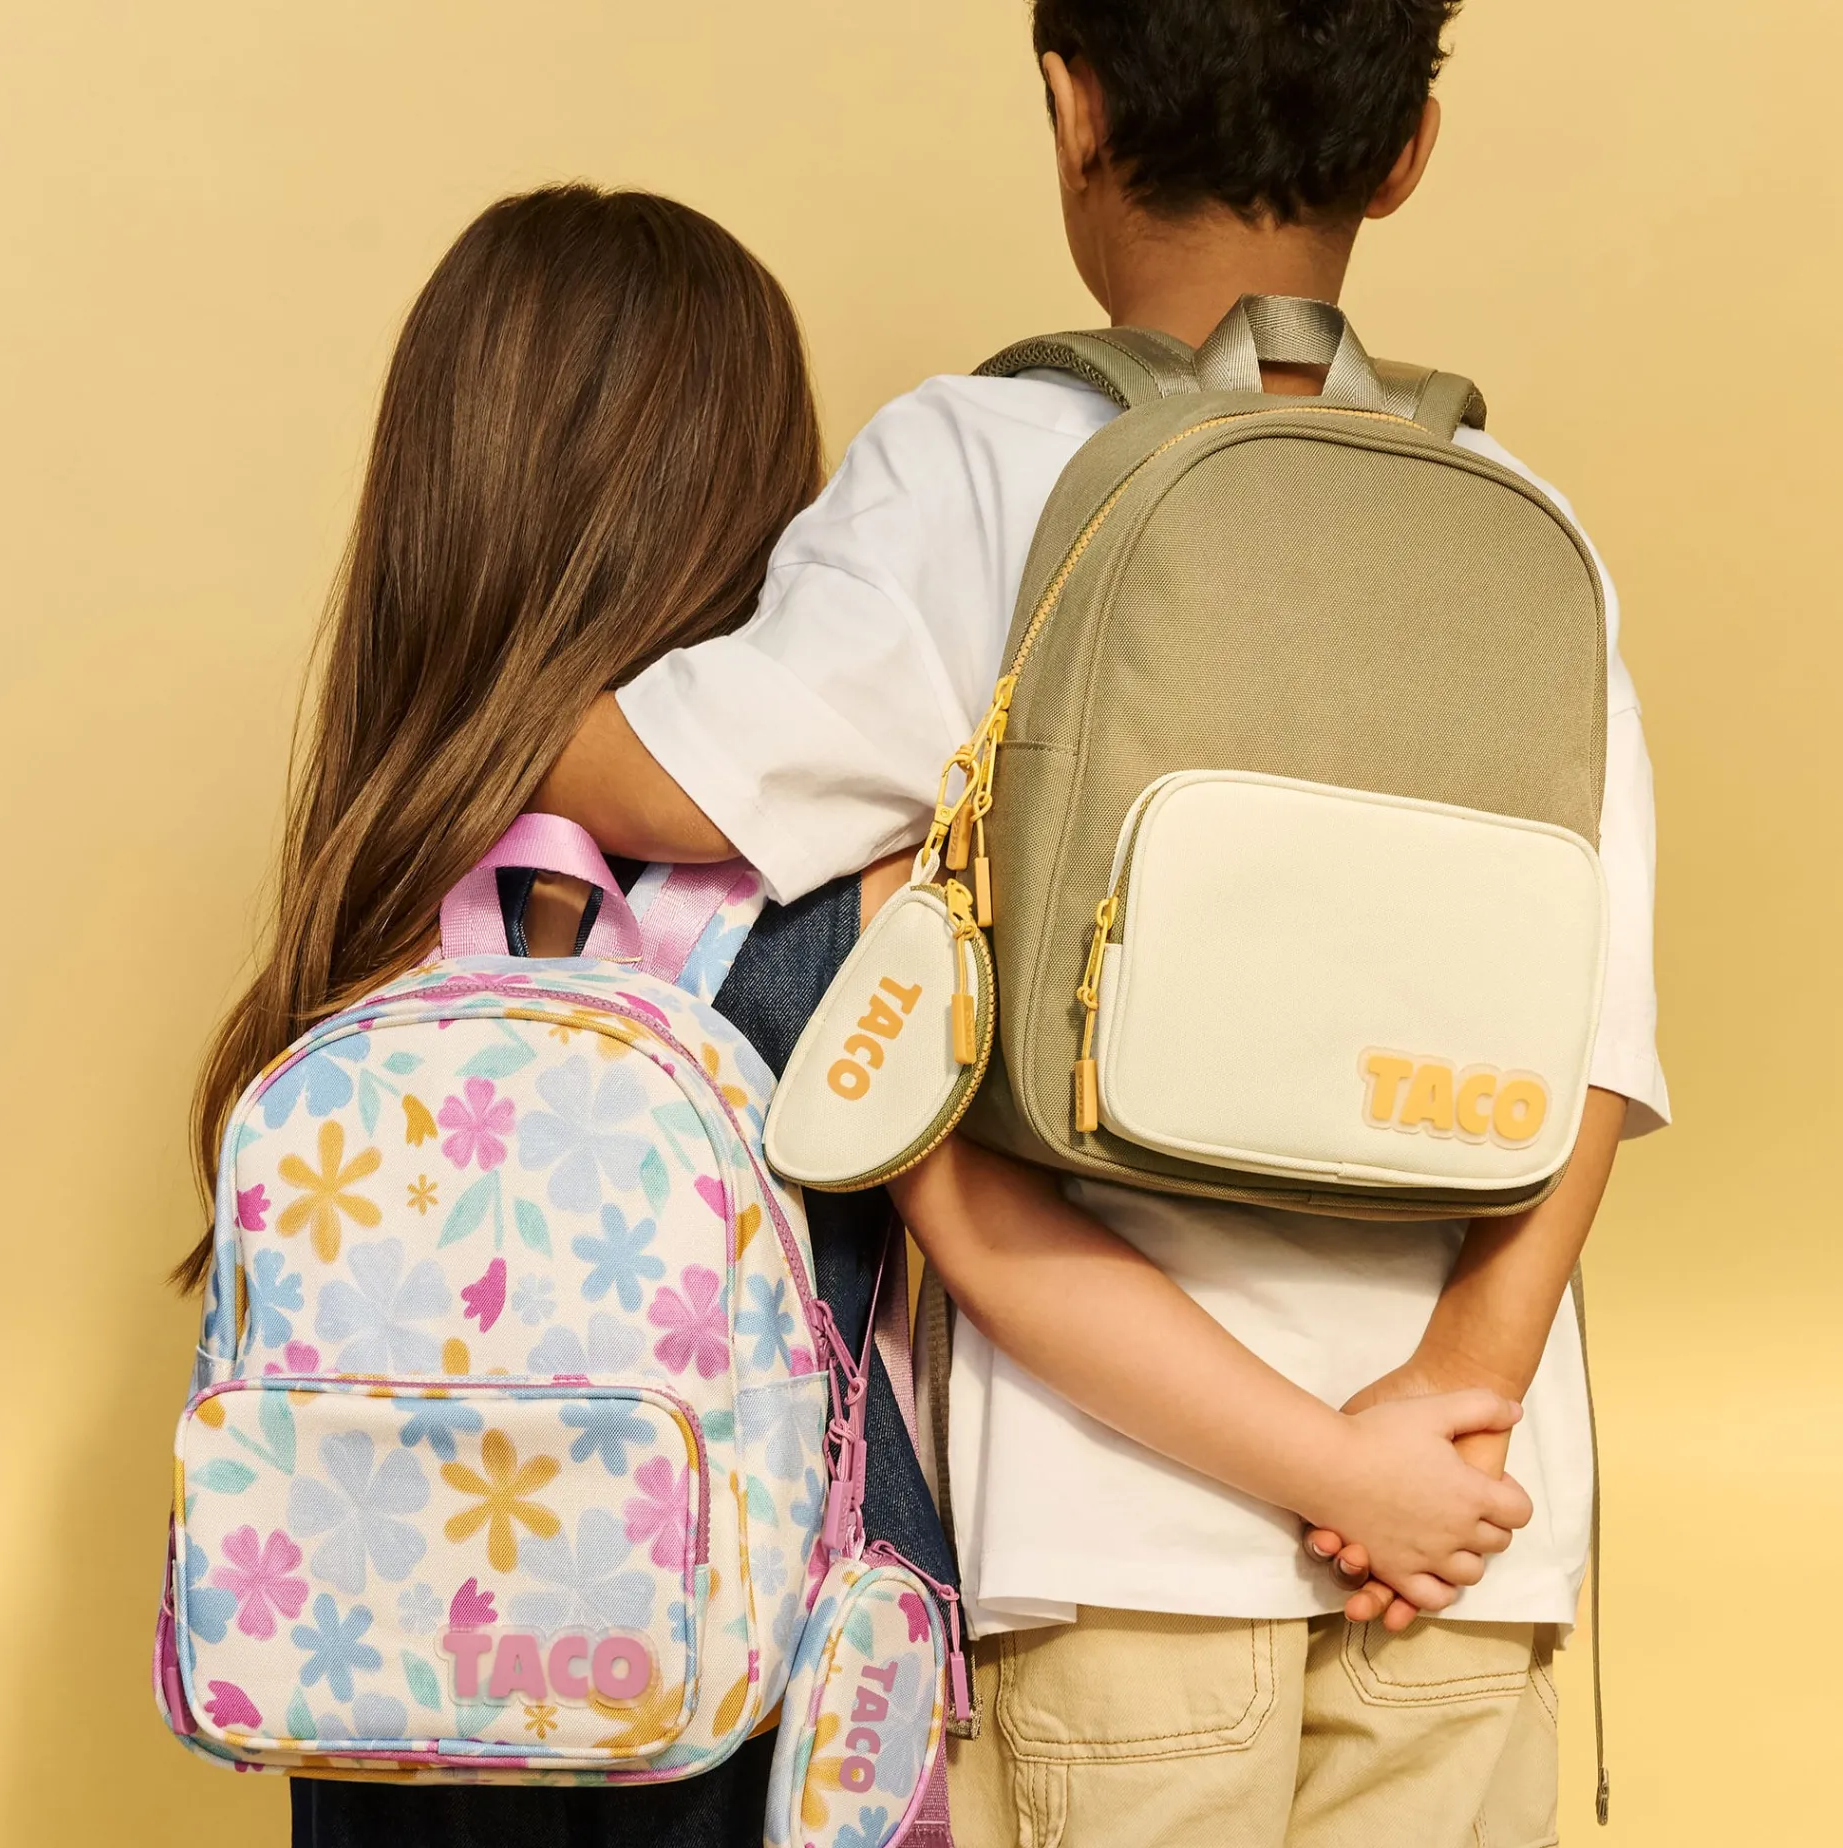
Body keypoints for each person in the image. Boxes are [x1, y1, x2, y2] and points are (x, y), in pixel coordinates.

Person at [533, 3, 1669, 1845]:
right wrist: (1452, 1398)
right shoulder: (1528, 520)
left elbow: (681, 788)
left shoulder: (974, 466)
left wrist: (461, 684)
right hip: (1465, 1540)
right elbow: (1600, 1040)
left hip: (1117, 1534)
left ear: (1073, 111)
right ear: (1407, 152)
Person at [175, 181, 948, 1848]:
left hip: (394, 1715)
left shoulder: (376, 901)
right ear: (750, 501)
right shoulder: (857, 902)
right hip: (751, 1721)